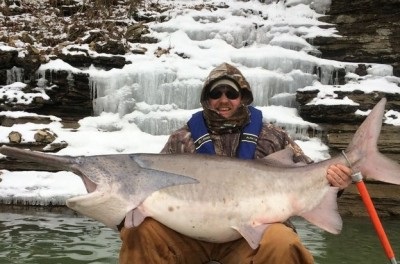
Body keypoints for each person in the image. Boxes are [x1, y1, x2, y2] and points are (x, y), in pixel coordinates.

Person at [119, 62, 352, 264]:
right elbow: (151, 186)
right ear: (206, 99)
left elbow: (310, 175)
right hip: (187, 236)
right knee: (139, 232)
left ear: (242, 97)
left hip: (250, 238)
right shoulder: (182, 139)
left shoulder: (273, 136)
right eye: (216, 94)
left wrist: (336, 182)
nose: (223, 100)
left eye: (230, 94)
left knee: (283, 242)